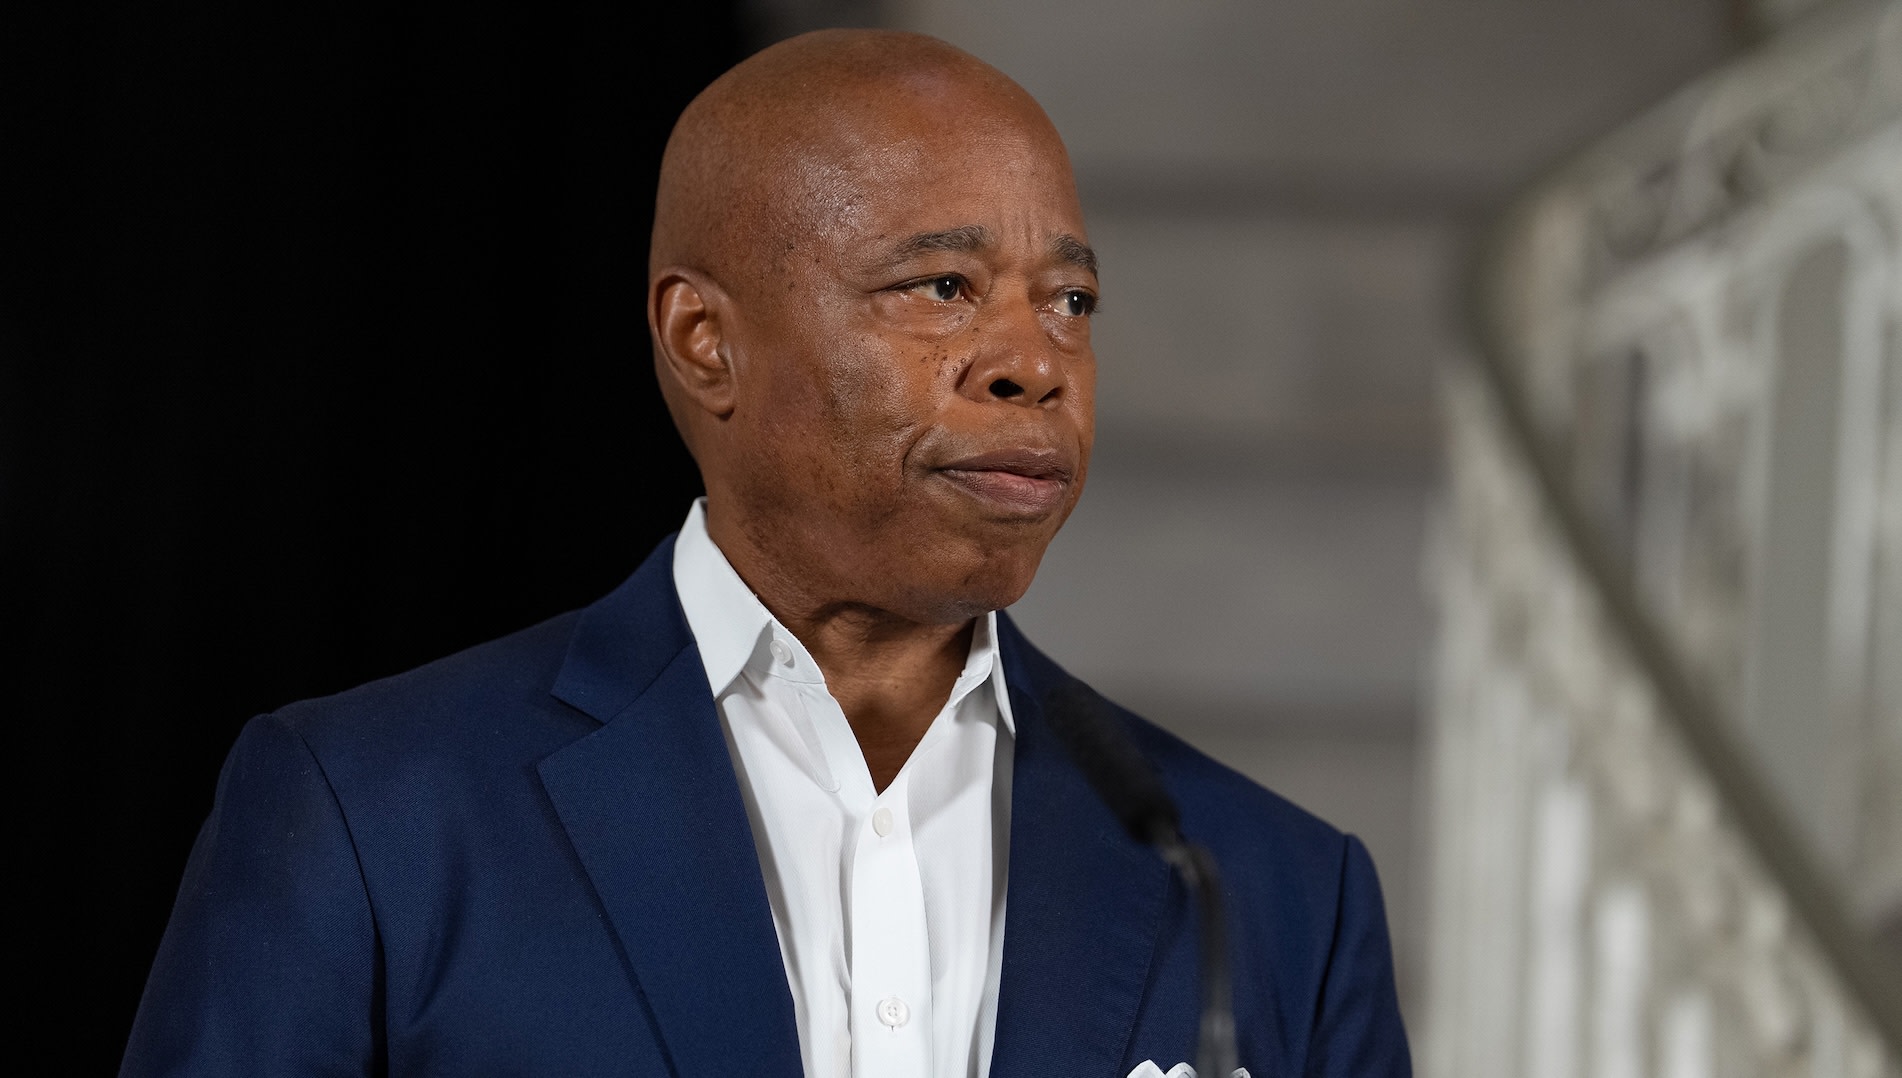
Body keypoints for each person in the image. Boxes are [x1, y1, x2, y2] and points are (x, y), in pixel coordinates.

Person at [120, 29, 1409, 1078]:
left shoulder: (1273, 889)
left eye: (1070, 301)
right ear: (703, 341)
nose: (1035, 362)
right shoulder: (370, 820)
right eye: (944, 288)